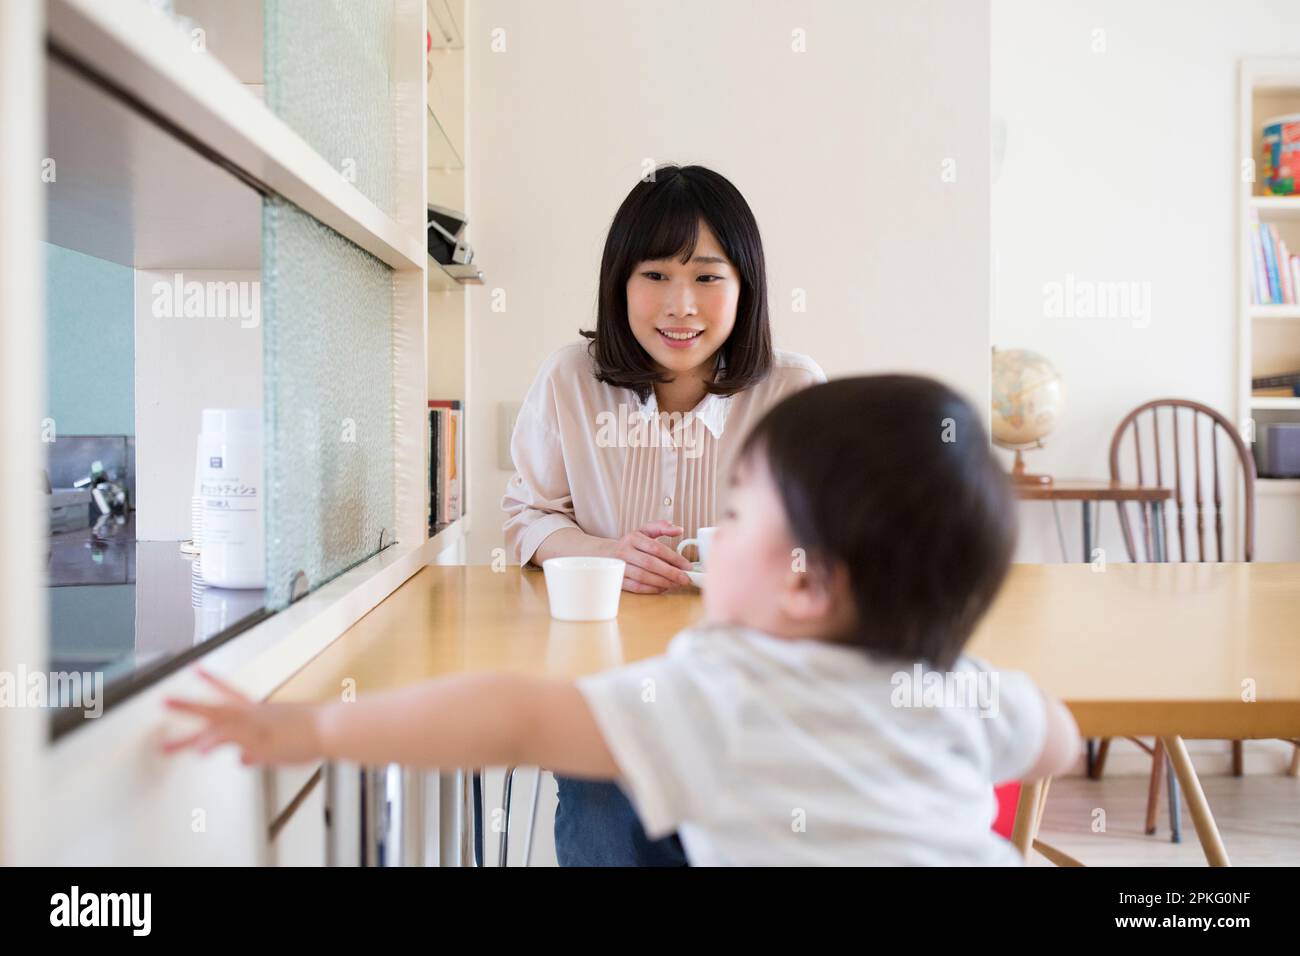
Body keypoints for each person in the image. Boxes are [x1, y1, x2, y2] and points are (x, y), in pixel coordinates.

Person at [162, 374, 1079, 866]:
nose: (709, 536)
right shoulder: (955, 688)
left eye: (737, 514)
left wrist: (316, 725)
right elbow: (1058, 743)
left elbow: (512, 717)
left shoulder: (721, 694)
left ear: (805, 585)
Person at [502, 164, 825, 864]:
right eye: (655, 275)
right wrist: (600, 552)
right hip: (607, 685)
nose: (681, 305)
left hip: (752, 687)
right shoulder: (570, 380)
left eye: (708, 277)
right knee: (600, 794)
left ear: (746, 287)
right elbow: (527, 514)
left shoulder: (794, 390)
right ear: (621, 283)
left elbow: (834, 545)